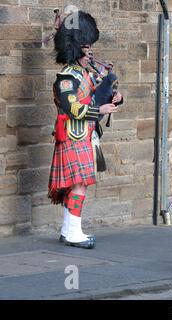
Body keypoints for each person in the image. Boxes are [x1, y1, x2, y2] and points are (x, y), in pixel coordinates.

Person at [48, 10, 123, 248]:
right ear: (75, 49)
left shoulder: (86, 75)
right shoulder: (66, 78)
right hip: (72, 134)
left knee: (79, 184)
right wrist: (99, 111)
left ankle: (70, 229)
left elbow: (97, 97)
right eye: (86, 48)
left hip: (86, 136)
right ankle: (73, 232)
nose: (90, 52)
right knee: (78, 184)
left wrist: (116, 98)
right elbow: (72, 108)